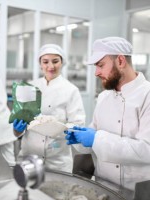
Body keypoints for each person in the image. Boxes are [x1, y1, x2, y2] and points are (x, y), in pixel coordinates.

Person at [65, 36, 150, 191]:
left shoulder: (147, 95)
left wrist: (96, 138)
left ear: (120, 61)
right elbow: (93, 143)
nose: (96, 73)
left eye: (101, 65)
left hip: (136, 191)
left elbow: (146, 150)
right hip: (103, 188)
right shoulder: (104, 97)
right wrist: (79, 138)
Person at [13, 44, 86, 173]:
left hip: (57, 159)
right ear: (40, 64)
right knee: (27, 191)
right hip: (29, 156)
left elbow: (78, 124)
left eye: (55, 61)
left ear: (62, 62)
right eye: (45, 62)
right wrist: (17, 130)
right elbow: (22, 121)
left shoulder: (71, 90)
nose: (50, 66)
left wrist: (54, 128)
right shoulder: (30, 87)